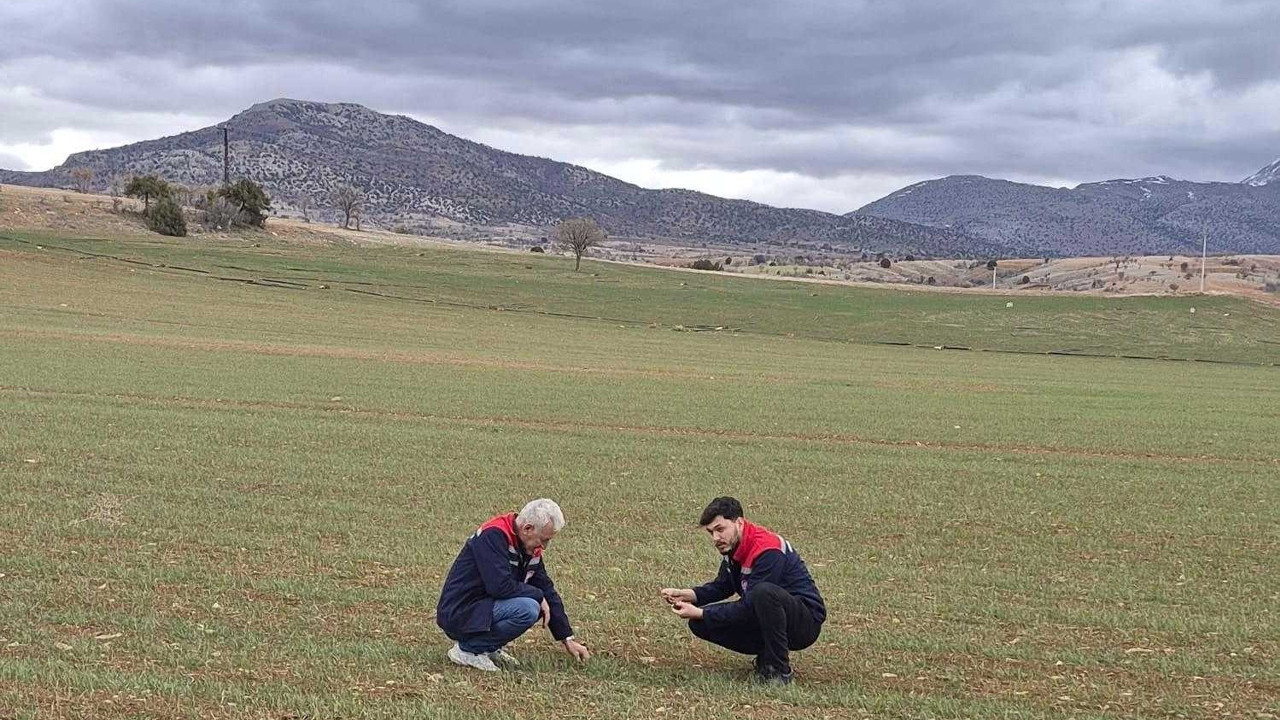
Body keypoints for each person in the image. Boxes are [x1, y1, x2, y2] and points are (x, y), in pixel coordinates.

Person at [661, 496, 826, 685]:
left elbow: (750, 606)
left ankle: (779, 670)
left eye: (720, 529)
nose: (715, 538)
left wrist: (702, 612)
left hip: (804, 623)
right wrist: (689, 595)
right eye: (710, 532)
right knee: (699, 623)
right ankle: (767, 654)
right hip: (769, 614)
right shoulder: (734, 546)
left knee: (763, 594)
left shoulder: (767, 550)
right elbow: (723, 585)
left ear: (739, 522)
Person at [436, 499, 591, 671]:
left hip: (483, 609)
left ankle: (488, 647)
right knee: (528, 608)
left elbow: (547, 589)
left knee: (538, 604)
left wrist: (567, 638)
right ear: (527, 529)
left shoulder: (528, 548)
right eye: (544, 539)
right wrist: (538, 596)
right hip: (460, 611)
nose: (545, 546)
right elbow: (499, 587)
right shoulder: (493, 536)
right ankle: (469, 651)